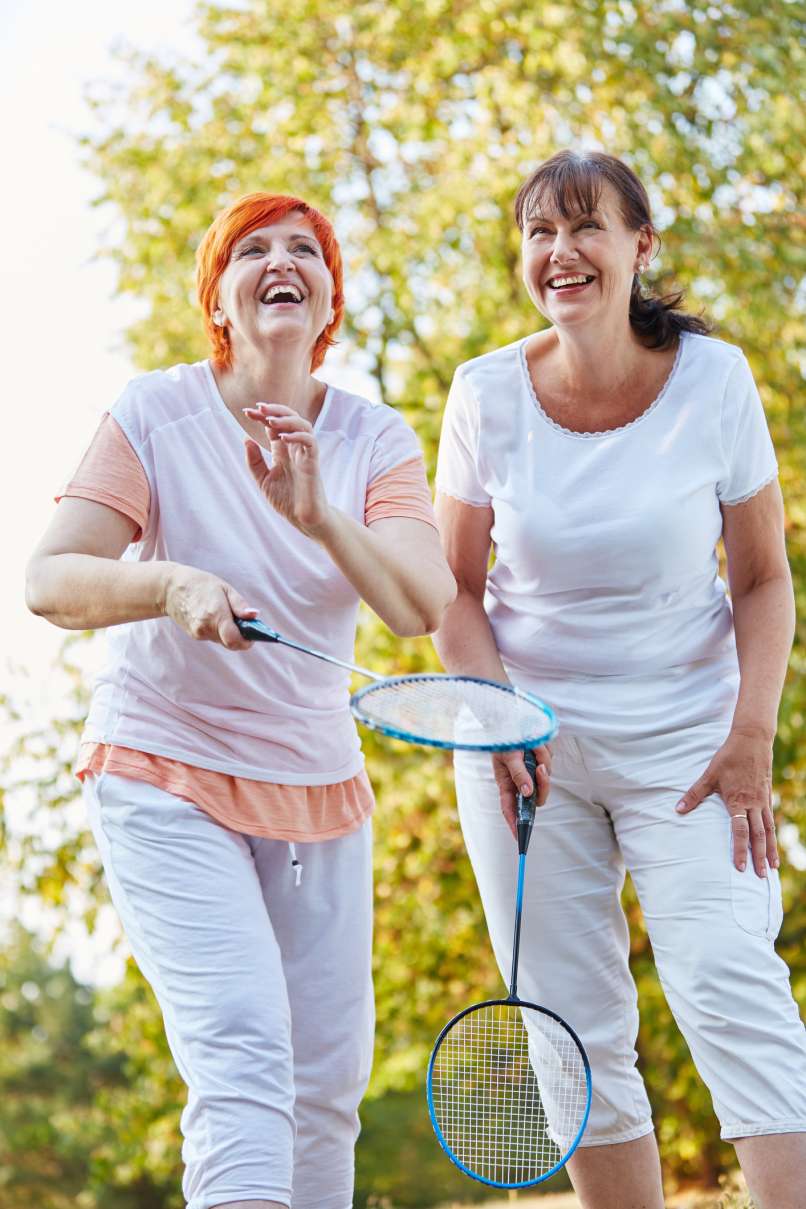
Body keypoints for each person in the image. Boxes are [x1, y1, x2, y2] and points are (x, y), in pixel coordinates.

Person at [25, 191, 455, 1209]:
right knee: (243, 1052)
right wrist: (169, 585)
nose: (280, 261)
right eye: (251, 250)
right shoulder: (155, 413)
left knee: (325, 1089)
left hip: (313, 789)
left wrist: (317, 517)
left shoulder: (371, 439)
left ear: (328, 299)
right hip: (164, 769)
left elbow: (416, 603)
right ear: (218, 297)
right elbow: (51, 580)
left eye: (303, 249)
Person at [432, 150, 806, 1209]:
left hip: (690, 743)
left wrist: (748, 738)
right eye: (538, 234)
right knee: (565, 1019)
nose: (560, 253)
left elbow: (762, 576)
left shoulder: (713, 380)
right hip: (522, 750)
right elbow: (452, 592)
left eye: (584, 227)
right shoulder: (483, 394)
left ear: (640, 246)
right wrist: (501, 722)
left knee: (728, 981)